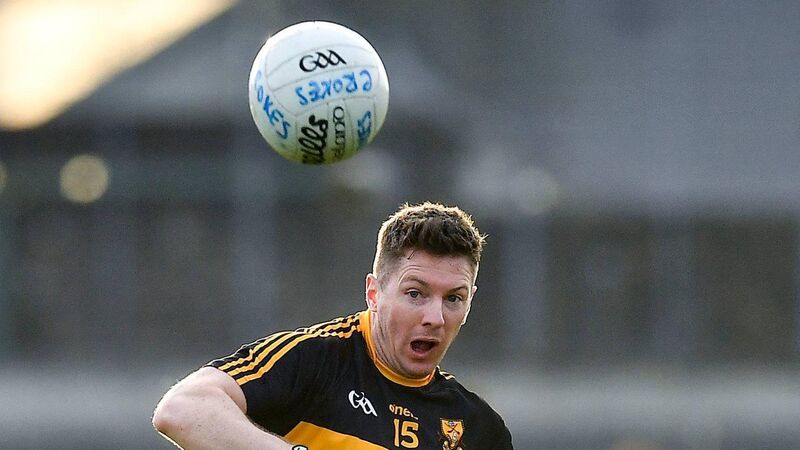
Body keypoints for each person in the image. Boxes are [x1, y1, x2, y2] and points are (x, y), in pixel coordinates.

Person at [153, 201, 513, 449]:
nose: (435, 317)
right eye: (415, 294)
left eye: (453, 298)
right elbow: (182, 408)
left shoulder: (479, 429)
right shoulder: (317, 360)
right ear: (374, 293)